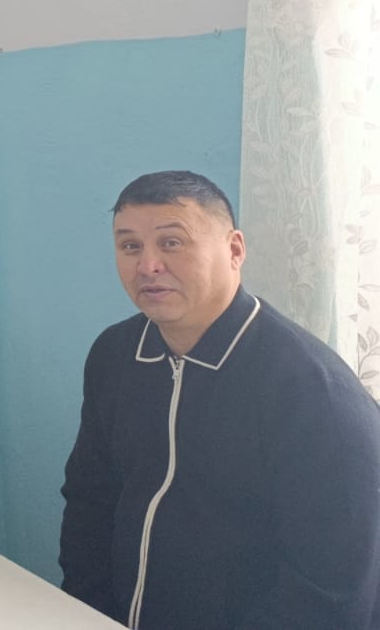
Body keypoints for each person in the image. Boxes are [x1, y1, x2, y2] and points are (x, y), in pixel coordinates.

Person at [60, 170, 380, 629]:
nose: (148, 265)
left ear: (234, 250)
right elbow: (89, 499)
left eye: (171, 242)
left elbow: (331, 588)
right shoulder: (115, 354)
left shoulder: (314, 393)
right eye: (130, 246)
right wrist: (88, 613)